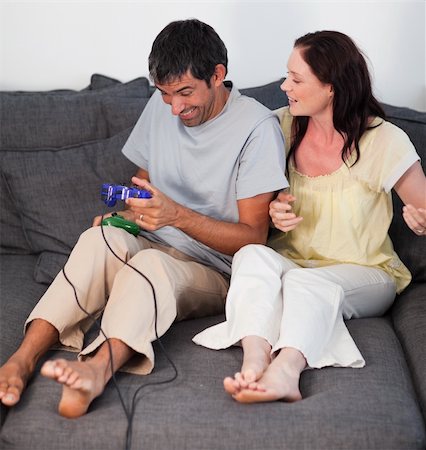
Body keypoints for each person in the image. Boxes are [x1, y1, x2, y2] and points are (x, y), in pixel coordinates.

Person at [0, 19, 288, 417]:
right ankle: (23, 358)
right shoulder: (163, 105)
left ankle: (98, 370)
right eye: (166, 94)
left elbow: (253, 237)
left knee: (150, 264)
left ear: (218, 75)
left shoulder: (257, 129)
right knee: (99, 240)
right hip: (156, 236)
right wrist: (125, 216)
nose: (175, 107)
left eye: (185, 92)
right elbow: (144, 189)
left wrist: (178, 216)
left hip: (216, 267)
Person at [193, 30, 426, 404]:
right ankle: (255, 357)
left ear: (332, 86)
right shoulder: (280, 127)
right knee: (250, 256)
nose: (284, 85)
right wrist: (272, 213)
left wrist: (421, 220)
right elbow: (252, 201)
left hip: (367, 272)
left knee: (307, 285)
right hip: (295, 263)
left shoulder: (384, 140)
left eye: (296, 79)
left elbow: (424, 207)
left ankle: (286, 370)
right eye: (287, 75)